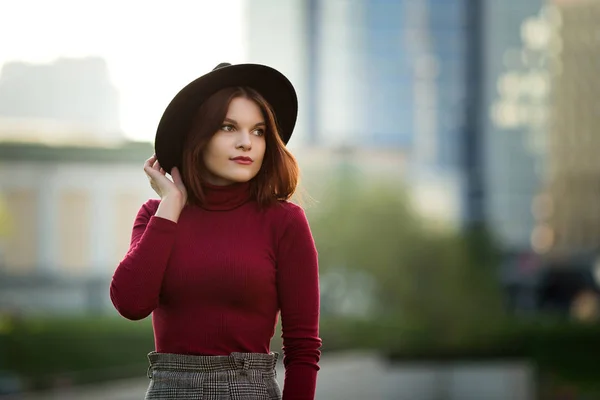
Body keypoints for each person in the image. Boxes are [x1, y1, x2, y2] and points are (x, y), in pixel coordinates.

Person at [110, 63, 322, 400]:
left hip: (248, 389)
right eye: (228, 127)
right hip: (169, 390)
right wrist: (171, 204)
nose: (246, 143)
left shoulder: (285, 222)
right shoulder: (156, 216)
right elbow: (131, 304)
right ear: (198, 134)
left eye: (258, 131)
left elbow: (303, 348)